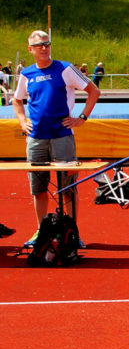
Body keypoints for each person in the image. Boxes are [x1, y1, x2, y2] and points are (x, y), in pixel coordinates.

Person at [12, 30, 101, 247]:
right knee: (38, 188)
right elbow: (17, 100)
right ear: (30, 49)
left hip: (62, 136)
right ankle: (41, 231)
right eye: (39, 45)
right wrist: (23, 122)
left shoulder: (65, 68)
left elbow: (94, 91)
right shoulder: (27, 74)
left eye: (47, 44)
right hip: (36, 138)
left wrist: (82, 118)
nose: (44, 48)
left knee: (68, 186)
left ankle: (72, 232)